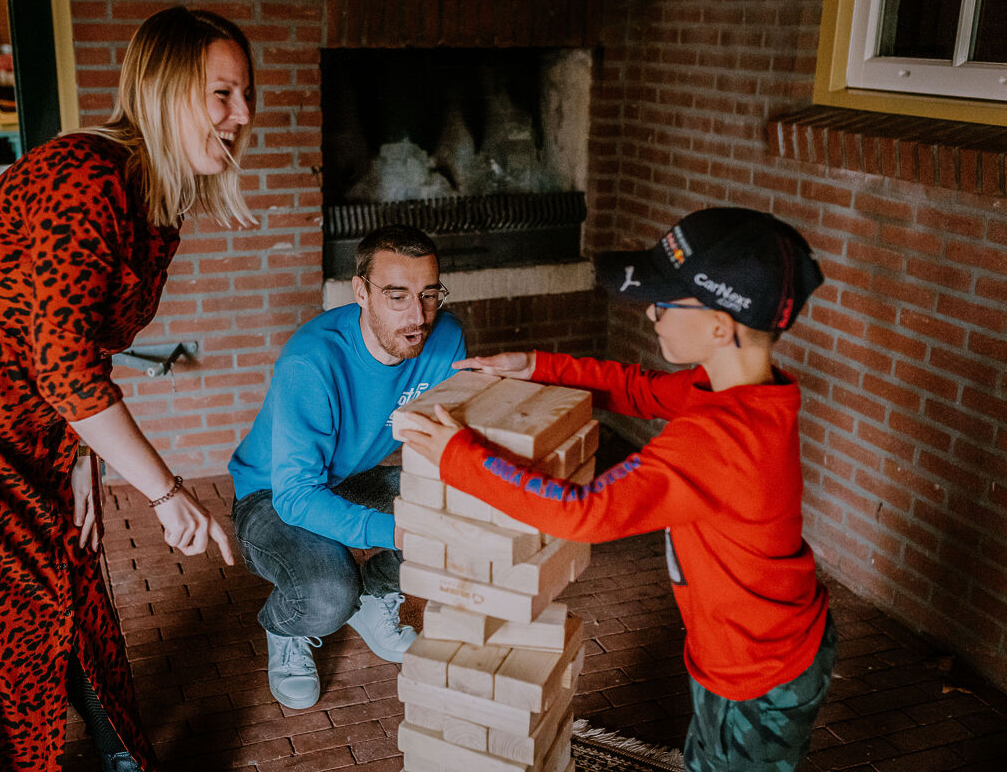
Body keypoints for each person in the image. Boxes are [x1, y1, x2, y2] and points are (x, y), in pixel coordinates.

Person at [0, 7, 254, 772]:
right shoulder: (87, 177)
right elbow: (64, 362)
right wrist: (167, 494)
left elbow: (68, 353)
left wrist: (80, 464)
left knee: (71, 584)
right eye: (222, 94)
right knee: (21, 611)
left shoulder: (155, 204)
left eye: (245, 95)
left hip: (17, 427)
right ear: (166, 92)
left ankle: (122, 757)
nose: (241, 116)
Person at [401, 208, 836, 772]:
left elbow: (584, 513)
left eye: (667, 301)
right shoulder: (738, 391)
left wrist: (458, 456)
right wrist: (535, 365)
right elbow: (640, 389)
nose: (652, 312)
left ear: (719, 326)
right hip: (749, 644)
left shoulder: (721, 439)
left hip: (758, 671)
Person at [227, 225, 465, 709]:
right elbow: (295, 496)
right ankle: (286, 628)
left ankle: (374, 595)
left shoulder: (445, 339)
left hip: (348, 480)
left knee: (460, 510)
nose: (417, 316)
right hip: (271, 496)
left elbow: (447, 445)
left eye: (428, 294)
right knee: (328, 593)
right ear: (362, 292)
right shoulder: (311, 361)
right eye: (397, 296)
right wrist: (396, 529)